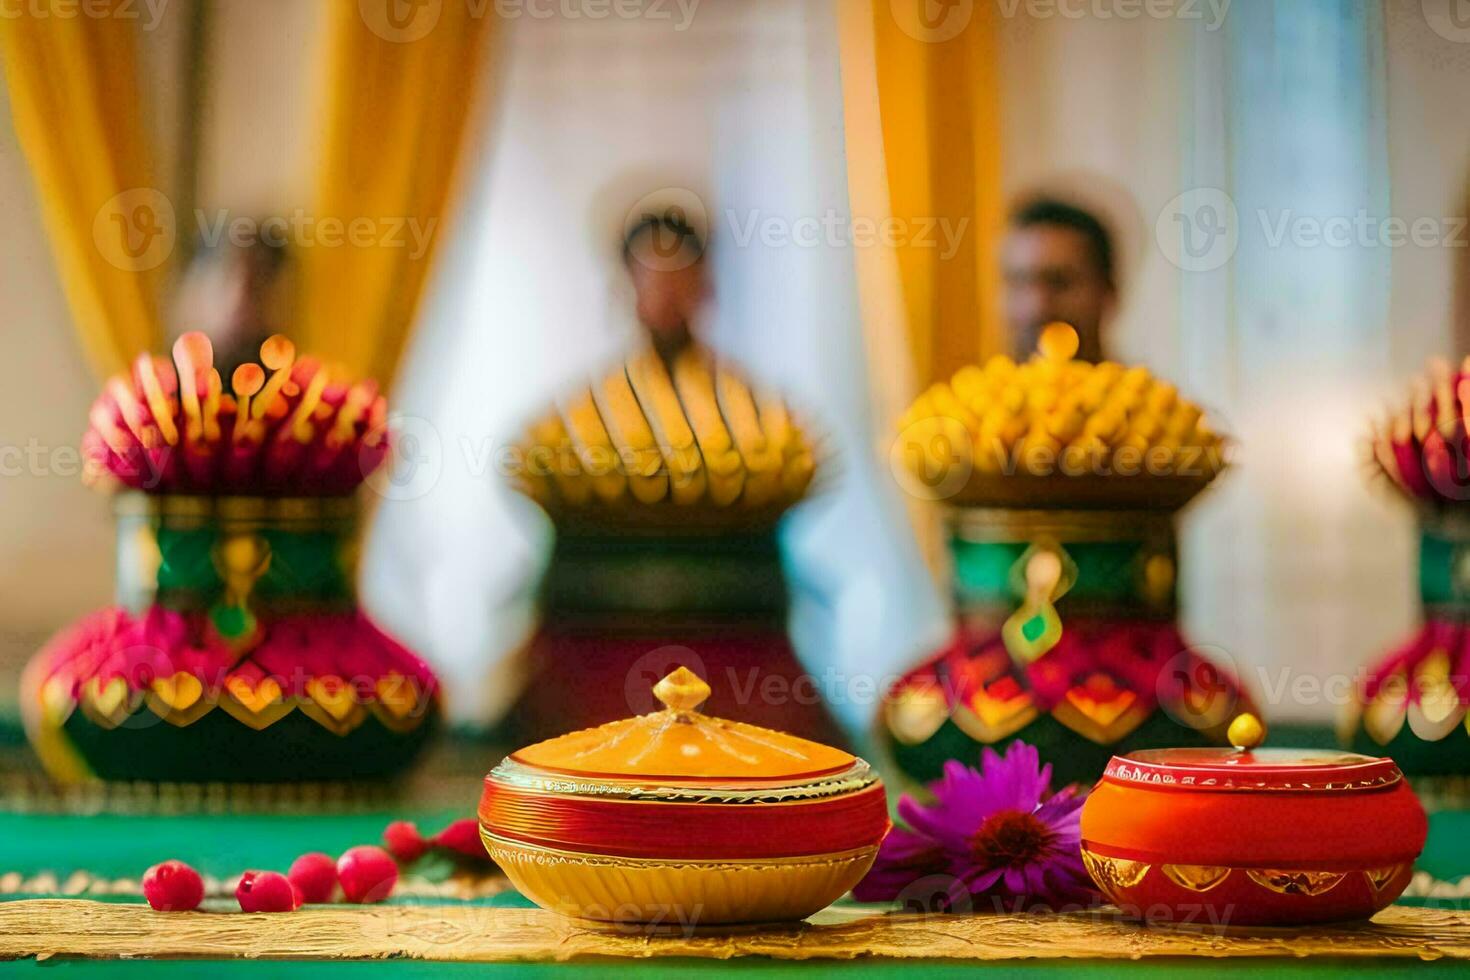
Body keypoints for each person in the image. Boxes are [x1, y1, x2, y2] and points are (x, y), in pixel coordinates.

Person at [1002, 198, 1117, 364]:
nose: (1037, 308)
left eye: (1059, 282)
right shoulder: (973, 389)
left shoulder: (1149, 389)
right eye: (1020, 282)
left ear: (1107, 292)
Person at [620, 211, 709, 362]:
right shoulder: (601, 384)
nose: (666, 299)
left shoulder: (734, 383)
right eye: (655, 286)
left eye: (677, 282)